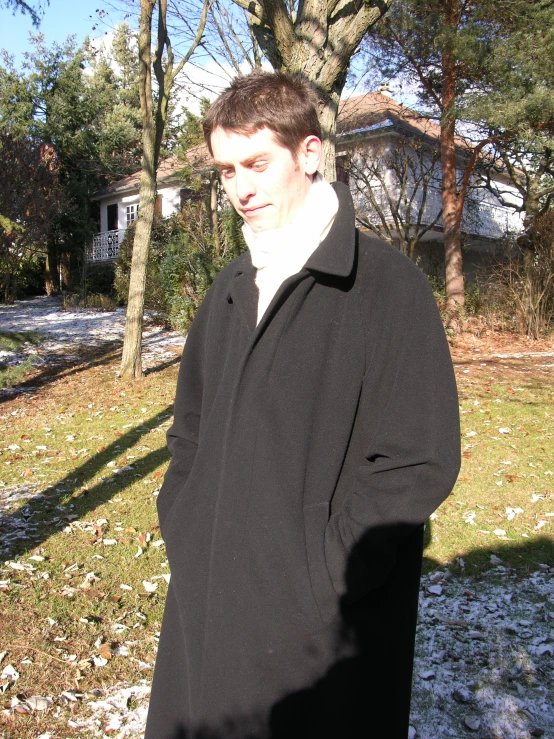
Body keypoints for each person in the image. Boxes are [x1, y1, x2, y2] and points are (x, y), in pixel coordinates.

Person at [145, 71, 460, 739]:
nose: (239, 187)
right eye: (227, 170)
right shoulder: (228, 291)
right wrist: (187, 523)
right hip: (208, 603)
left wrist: (322, 573)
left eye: (257, 162)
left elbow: (418, 459)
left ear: (310, 153)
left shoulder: (387, 288)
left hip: (321, 631)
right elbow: (189, 432)